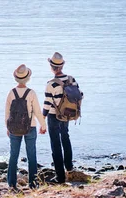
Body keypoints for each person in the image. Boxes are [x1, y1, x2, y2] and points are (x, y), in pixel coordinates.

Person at [5, 64, 47, 190]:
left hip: (14, 128)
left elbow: (7, 113)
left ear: (16, 78)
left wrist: (7, 127)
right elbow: (37, 112)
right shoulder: (31, 93)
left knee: (14, 155)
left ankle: (12, 184)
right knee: (32, 155)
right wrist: (43, 125)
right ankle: (33, 184)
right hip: (31, 127)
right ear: (28, 78)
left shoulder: (11, 93)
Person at [43, 52, 82, 183]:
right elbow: (79, 94)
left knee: (55, 144)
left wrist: (42, 118)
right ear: (62, 66)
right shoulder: (72, 79)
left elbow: (47, 104)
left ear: (51, 67)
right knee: (66, 138)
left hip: (54, 116)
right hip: (68, 114)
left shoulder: (51, 84)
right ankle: (69, 167)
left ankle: (60, 177)